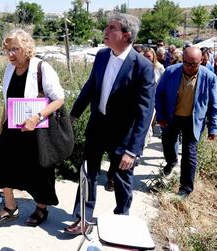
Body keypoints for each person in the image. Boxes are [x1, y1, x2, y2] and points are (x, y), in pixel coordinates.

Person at [64, 13, 155, 234]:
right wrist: (73, 115)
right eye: (107, 27)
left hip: (123, 134)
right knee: (88, 173)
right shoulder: (102, 55)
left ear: (126, 35)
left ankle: (121, 220)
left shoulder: (142, 66)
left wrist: (133, 150)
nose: (106, 31)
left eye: (111, 28)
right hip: (97, 126)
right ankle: (82, 217)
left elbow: (145, 112)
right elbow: (90, 88)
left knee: (122, 179)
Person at [0, 29, 65, 226]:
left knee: (40, 170)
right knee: (1, 164)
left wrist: (36, 118)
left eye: (15, 49)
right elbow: (7, 99)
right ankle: (10, 207)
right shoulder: (10, 69)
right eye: (7, 50)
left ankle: (41, 208)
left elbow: (59, 99)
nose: (10, 54)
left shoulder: (42, 68)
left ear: (27, 48)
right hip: (13, 126)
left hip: (37, 130)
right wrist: (1, 121)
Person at [155, 46, 217, 198]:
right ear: (183, 59)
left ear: (201, 61)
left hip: (193, 120)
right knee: (168, 143)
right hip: (172, 117)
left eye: (194, 64)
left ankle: (185, 188)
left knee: (190, 154)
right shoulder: (171, 72)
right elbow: (159, 94)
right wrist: (161, 116)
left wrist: (213, 127)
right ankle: (171, 161)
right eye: (187, 63)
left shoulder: (209, 77)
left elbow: (213, 103)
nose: (190, 67)